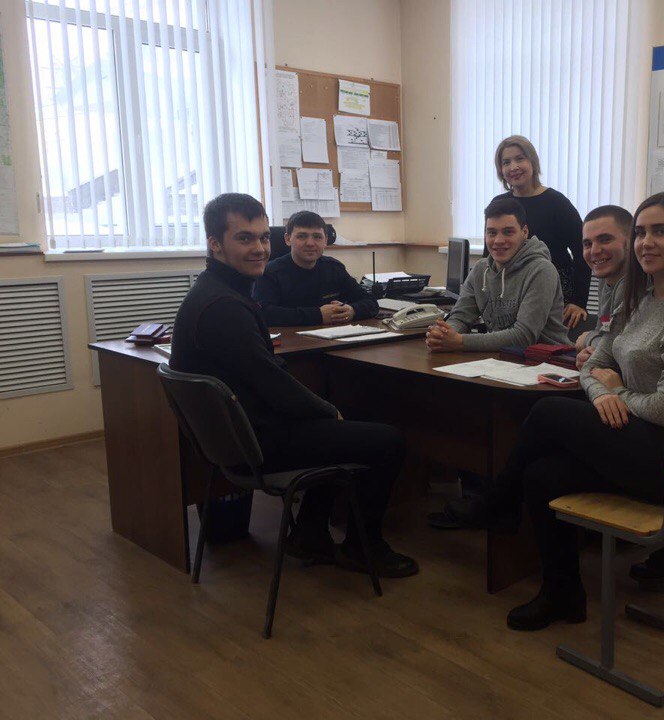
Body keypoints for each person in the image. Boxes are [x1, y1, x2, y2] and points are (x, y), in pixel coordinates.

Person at [445, 192, 664, 630]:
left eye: (660, 231)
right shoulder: (642, 299)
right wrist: (602, 394)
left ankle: (497, 502)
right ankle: (563, 594)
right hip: (653, 440)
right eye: (641, 232)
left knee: (549, 413)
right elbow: (595, 363)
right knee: (541, 474)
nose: (646, 242)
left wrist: (618, 392)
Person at [170, 193, 417, 578]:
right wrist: (327, 411)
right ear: (215, 244)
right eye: (244, 238)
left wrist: (325, 412)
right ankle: (362, 547)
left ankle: (310, 534)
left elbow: (263, 378)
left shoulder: (217, 291)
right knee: (387, 440)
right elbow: (271, 384)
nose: (259, 248)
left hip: (238, 435)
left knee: (345, 419)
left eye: (261, 237)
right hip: (255, 444)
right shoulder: (224, 308)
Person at [425, 196, 569, 352]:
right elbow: (460, 317)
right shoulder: (480, 270)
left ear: (524, 232)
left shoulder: (541, 270)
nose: (498, 240)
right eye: (492, 233)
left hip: (547, 360)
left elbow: (524, 336)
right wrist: (444, 334)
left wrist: (460, 341)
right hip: (502, 358)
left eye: (508, 232)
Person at [491, 135, 591, 329]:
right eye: (506, 162)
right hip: (510, 293)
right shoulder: (499, 204)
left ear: (532, 162)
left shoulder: (557, 202)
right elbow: (490, 255)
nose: (513, 167)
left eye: (520, 158)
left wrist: (579, 301)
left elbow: (582, 251)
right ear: (500, 170)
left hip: (554, 293)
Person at [253, 210, 377, 327]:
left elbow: (370, 301)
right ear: (287, 239)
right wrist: (318, 315)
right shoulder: (269, 273)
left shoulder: (334, 268)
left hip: (334, 338)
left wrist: (353, 310)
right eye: (302, 236)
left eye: (317, 237)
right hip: (291, 340)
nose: (310, 243)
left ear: (325, 240)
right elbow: (264, 314)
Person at [573, 205, 632, 370]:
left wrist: (588, 339)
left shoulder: (642, 286)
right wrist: (588, 355)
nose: (594, 250)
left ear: (631, 241)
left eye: (605, 240)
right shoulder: (604, 278)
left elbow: (624, 349)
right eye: (587, 244)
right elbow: (603, 335)